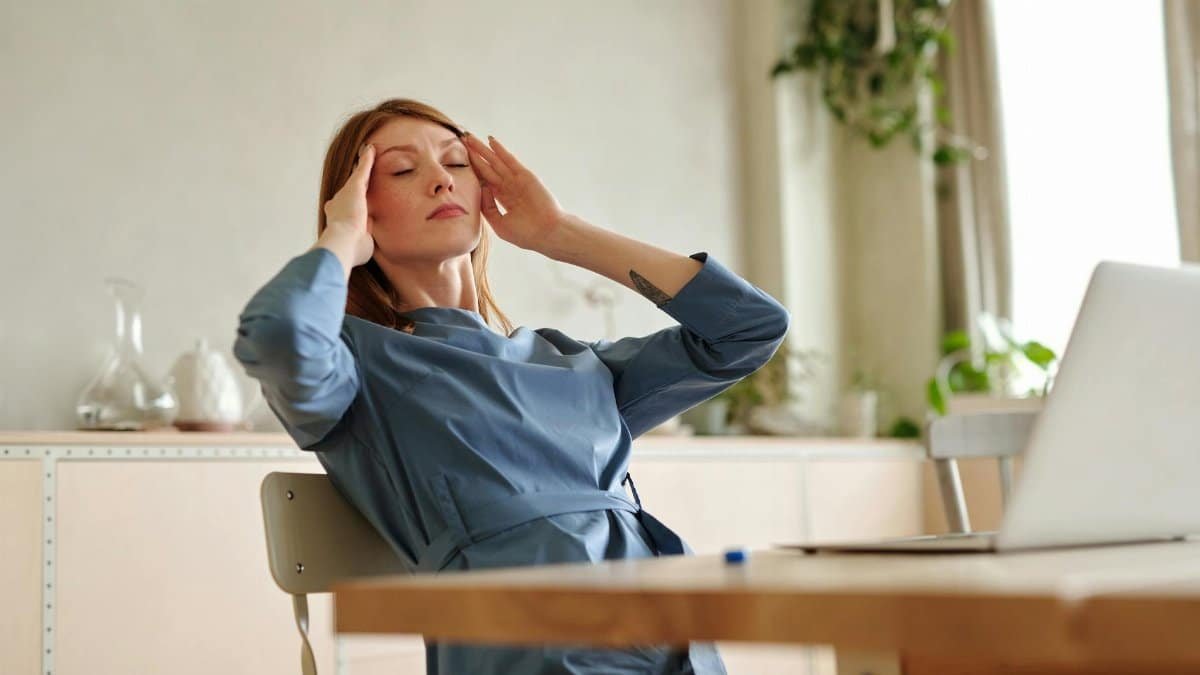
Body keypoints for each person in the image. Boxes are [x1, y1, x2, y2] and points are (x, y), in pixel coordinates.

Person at [233, 98, 789, 674]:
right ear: (360, 208)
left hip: (672, 635)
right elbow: (276, 334)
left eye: (456, 164)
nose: (440, 183)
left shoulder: (566, 359)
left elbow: (749, 329)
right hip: (529, 645)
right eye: (402, 170)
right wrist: (341, 238)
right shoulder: (357, 363)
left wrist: (559, 233)